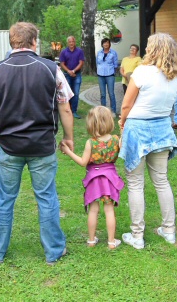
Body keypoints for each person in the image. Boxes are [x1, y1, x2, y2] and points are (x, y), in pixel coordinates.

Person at [0, 22, 73, 264]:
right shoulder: (51, 68)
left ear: (12, 42)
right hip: (42, 146)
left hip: (8, 146)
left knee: (4, 198)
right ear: (33, 41)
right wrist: (68, 137)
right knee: (46, 197)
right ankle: (54, 251)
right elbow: (65, 107)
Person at [118, 33, 177, 249]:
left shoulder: (142, 72)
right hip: (162, 127)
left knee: (136, 183)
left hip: (138, 127)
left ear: (153, 49)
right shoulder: (176, 76)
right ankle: (169, 230)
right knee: (162, 181)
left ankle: (137, 235)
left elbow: (127, 104)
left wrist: (122, 122)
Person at [60, 106, 125, 249]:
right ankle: (111, 242)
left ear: (91, 124)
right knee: (109, 210)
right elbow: (124, 148)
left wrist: (68, 151)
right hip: (109, 180)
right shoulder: (116, 140)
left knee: (93, 210)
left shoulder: (91, 142)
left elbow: (83, 162)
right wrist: (123, 129)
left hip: (94, 180)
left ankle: (91, 240)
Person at [59, 36, 85, 119]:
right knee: (67, 93)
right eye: (70, 42)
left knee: (76, 93)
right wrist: (69, 71)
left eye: (73, 41)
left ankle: (74, 111)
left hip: (77, 74)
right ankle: (68, 109)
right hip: (67, 75)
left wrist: (73, 71)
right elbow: (62, 64)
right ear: (68, 43)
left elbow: (81, 63)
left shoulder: (79, 51)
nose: (71, 43)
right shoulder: (64, 52)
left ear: (75, 42)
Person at [96, 38, 119, 116]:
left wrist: (111, 70)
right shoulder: (99, 53)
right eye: (104, 43)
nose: (106, 44)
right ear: (102, 44)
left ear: (109, 44)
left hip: (110, 75)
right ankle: (103, 111)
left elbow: (115, 64)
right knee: (102, 94)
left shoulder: (113, 53)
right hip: (100, 75)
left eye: (107, 43)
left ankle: (113, 111)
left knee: (111, 93)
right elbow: (97, 63)